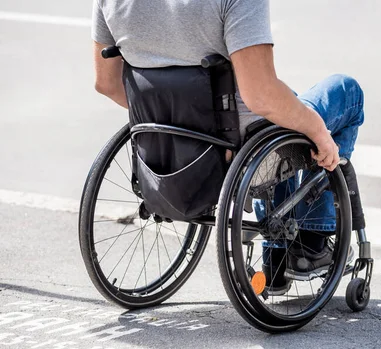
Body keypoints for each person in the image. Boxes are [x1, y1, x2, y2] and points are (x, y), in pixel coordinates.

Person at [92, 0, 365, 293]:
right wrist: (318, 132)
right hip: (236, 146)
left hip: (168, 147)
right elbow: (261, 95)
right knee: (345, 92)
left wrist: (183, 124)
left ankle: (278, 255)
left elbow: (107, 83)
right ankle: (311, 242)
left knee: (284, 110)